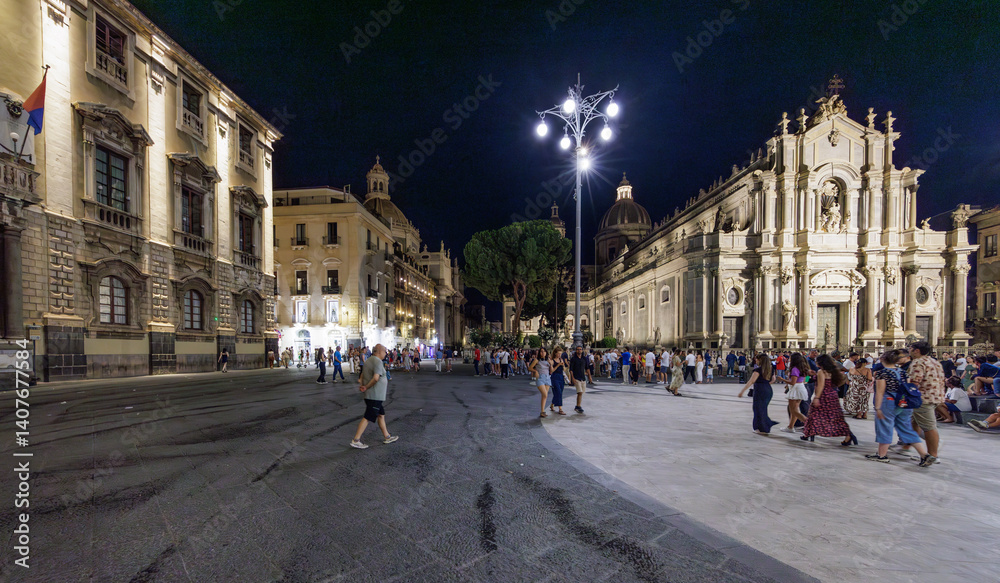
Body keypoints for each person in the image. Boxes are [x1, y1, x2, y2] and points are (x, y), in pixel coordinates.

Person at [866, 350, 935, 466]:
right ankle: (924, 454)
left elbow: (880, 392)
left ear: (882, 359)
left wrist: (877, 408)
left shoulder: (882, 373)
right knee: (906, 429)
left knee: (884, 427)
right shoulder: (903, 372)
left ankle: (882, 455)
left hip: (888, 402)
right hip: (904, 403)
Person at [899, 341, 945, 463]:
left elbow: (914, 382)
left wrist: (905, 395)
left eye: (910, 348)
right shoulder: (934, 361)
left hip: (922, 399)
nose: (908, 350)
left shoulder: (917, 363)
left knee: (929, 427)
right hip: (935, 396)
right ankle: (907, 446)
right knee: (914, 423)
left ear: (916, 350)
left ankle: (932, 455)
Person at [350, 344, 399, 449]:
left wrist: (362, 385)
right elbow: (376, 378)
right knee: (368, 417)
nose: (386, 353)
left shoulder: (368, 360)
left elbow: (362, 375)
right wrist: (366, 386)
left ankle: (387, 436)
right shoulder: (377, 361)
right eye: (385, 351)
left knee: (381, 415)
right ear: (379, 351)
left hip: (373, 395)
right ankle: (356, 440)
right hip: (375, 395)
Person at [801, 354, 856, 445]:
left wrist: (817, 397)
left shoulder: (821, 372)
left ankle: (808, 433)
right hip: (833, 396)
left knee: (813, 414)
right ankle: (848, 435)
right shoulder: (834, 371)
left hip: (823, 396)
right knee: (836, 417)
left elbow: (821, 385)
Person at [738, 353, 779, 434]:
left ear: (760, 360)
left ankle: (762, 427)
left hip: (760, 390)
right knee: (763, 408)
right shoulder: (771, 369)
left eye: (756, 359)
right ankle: (766, 424)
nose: (755, 361)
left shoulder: (758, 370)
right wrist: (766, 384)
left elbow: (751, 381)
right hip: (768, 389)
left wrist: (742, 391)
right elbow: (773, 379)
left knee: (758, 409)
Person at [780, 353, 810, 433]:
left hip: (795, 389)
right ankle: (791, 427)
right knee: (796, 409)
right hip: (800, 387)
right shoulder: (802, 368)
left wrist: (782, 379)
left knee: (793, 411)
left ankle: (809, 423)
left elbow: (793, 382)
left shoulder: (794, 369)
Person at [528, 347, 552, 418]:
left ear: (546, 352)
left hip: (547, 378)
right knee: (545, 394)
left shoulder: (548, 360)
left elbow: (551, 370)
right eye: (541, 351)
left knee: (544, 396)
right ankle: (542, 411)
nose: (543, 353)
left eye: (544, 351)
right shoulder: (536, 360)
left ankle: (542, 411)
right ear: (539, 353)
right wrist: (535, 371)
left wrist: (551, 364)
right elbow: (530, 368)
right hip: (540, 378)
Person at [569, 345, 588, 413]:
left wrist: (589, 376)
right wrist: (572, 378)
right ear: (576, 350)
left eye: (580, 349)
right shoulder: (573, 359)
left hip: (583, 378)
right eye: (578, 349)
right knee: (579, 392)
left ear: (582, 350)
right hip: (576, 377)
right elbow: (571, 369)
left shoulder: (584, 359)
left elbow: (587, 367)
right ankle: (578, 406)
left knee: (581, 393)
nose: (579, 350)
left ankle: (578, 406)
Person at [548, 347, 568, 415]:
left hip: (561, 377)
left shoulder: (561, 359)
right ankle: (560, 409)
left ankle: (552, 404)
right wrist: (558, 365)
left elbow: (564, 369)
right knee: (558, 392)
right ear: (555, 353)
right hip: (555, 377)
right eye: (558, 353)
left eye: (560, 353)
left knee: (559, 392)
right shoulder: (552, 361)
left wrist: (563, 366)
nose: (559, 355)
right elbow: (552, 370)